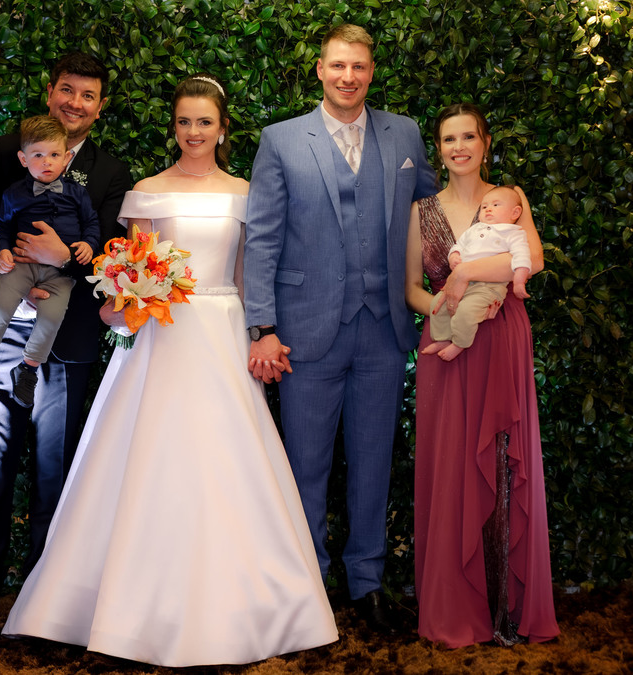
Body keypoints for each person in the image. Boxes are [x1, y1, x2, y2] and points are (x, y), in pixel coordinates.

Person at [1, 74, 338, 666]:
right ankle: (125, 609)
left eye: (204, 122)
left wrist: (260, 334)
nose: (193, 132)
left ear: (223, 129)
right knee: (149, 456)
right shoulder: (148, 192)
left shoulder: (245, 192)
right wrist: (122, 301)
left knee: (227, 459)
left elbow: (247, 274)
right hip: (163, 334)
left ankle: (241, 610)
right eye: (184, 122)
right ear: (174, 128)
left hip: (222, 330)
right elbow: (134, 269)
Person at [242, 23, 439, 634]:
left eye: (358, 66)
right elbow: (262, 237)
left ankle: (367, 582)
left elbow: (431, 216)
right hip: (305, 331)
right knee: (305, 466)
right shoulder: (280, 140)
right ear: (320, 70)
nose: (348, 77)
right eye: (337, 65)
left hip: (384, 330)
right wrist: (261, 326)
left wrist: (479, 258)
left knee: (374, 463)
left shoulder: (405, 133)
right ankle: (308, 584)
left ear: (371, 72)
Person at [0, 52, 131, 637]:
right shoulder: (7, 152)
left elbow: (111, 259)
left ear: (100, 108)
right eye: (67, 90)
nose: (75, 103)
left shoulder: (110, 173)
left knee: (56, 471)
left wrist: (62, 260)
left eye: (88, 95)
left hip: (67, 339)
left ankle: (43, 603)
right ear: (50, 92)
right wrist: (10, 277)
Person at [403, 102, 559, 647]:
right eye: (449, 139)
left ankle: (506, 608)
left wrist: (465, 272)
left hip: (502, 336)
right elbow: (412, 287)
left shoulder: (510, 199)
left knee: (500, 456)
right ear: (438, 148)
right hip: (444, 340)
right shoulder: (422, 210)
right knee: (451, 463)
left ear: (485, 142)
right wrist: (442, 310)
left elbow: (532, 259)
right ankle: (456, 609)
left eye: (469, 137)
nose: (459, 147)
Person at [0, 115, 100, 408]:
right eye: (38, 155)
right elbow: (1, 226)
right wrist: (2, 250)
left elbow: (92, 223)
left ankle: (28, 370)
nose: (46, 162)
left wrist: (88, 244)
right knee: (1, 305)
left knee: (52, 318)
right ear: (23, 159)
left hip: (60, 274)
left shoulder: (78, 194)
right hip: (21, 264)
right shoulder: (13, 193)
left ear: (66, 158)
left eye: (54, 155)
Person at [423, 185, 531, 362]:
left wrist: (519, 281)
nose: (488, 209)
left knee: (466, 312)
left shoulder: (513, 233)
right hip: (461, 285)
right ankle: (442, 338)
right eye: (484, 206)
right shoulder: (475, 229)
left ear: (515, 213)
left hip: (488, 287)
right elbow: (458, 246)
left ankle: (460, 343)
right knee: (437, 305)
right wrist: (454, 256)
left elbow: (522, 257)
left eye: (496, 205)